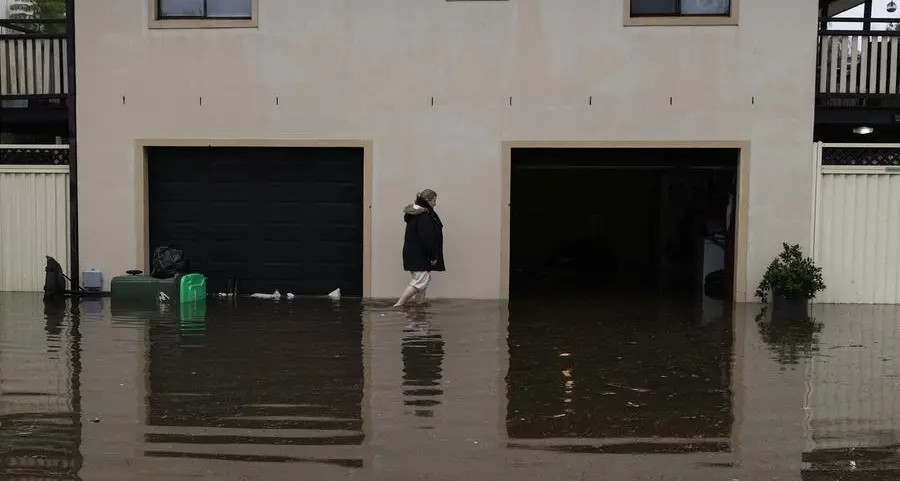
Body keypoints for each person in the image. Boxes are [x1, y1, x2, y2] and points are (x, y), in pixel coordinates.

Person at [393, 189, 444, 307]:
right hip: (420, 255)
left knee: (424, 280)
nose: (435, 204)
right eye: (434, 201)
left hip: (415, 254)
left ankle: (420, 304)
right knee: (420, 281)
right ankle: (399, 304)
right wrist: (433, 255)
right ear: (427, 201)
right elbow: (427, 238)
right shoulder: (423, 216)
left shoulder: (416, 215)